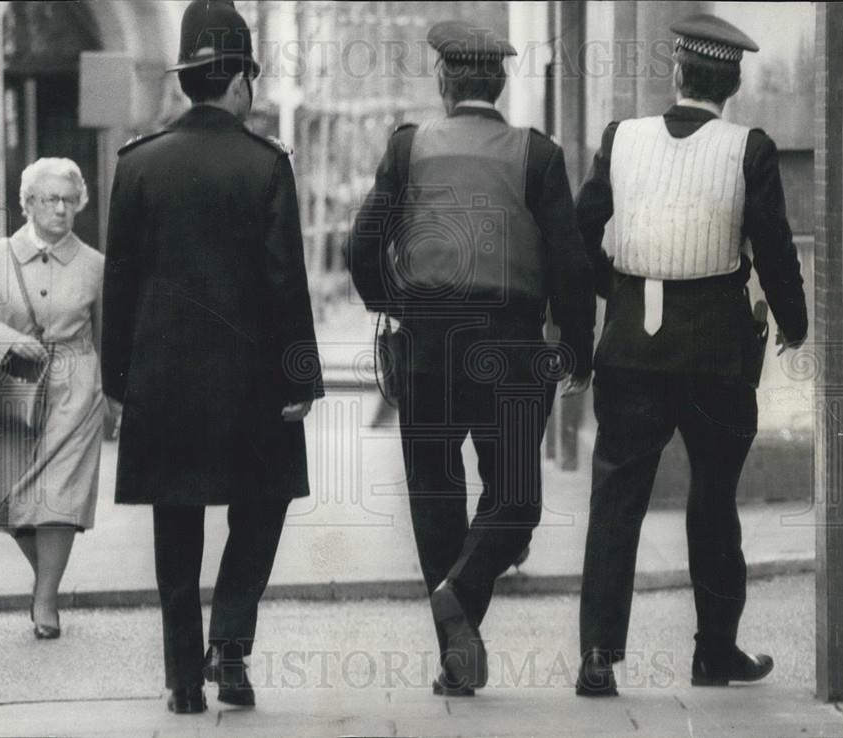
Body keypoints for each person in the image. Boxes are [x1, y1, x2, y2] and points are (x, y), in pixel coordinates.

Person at [347, 20, 595, 696]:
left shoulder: (408, 148)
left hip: (427, 346)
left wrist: (399, 304)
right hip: (513, 347)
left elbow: (358, 247)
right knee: (515, 496)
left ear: (445, 82)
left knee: (435, 495)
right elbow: (570, 262)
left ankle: (456, 644)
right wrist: (577, 346)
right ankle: (460, 619)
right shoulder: (536, 156)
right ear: (502, 84)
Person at [574, 14, 809, 696]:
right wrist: (792, 324)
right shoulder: (751, 148)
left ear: (677, 74)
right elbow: (774, 247)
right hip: (717, 353)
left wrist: (612, 293)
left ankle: (598, 656)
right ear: (731, 85)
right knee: (714, 498)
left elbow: (583, 229)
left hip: (631, 349)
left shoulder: (621, 140)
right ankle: (715, 651)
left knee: (617, 501)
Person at [101, 0, 322, 715]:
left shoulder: (137, 165)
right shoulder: (265, 166)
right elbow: (286, 279)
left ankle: (183, 681)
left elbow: (120, 282)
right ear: (238, 83)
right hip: (253, 383)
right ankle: (230, 643)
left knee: (176, 520)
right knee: (263, 504)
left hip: (162, 379)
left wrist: (117, 381)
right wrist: (300, 377)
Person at [0, 158, 105, 639]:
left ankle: (46, 600)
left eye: (69, 200)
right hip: (12, 385)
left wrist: (116, 395)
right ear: (28, 204)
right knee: (10, 499)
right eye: (50, 199)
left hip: (74, 389)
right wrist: (8, 341)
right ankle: (46, 584)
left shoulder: (96, 264)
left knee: (59, 498)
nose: (61, 209)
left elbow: (111, 332)